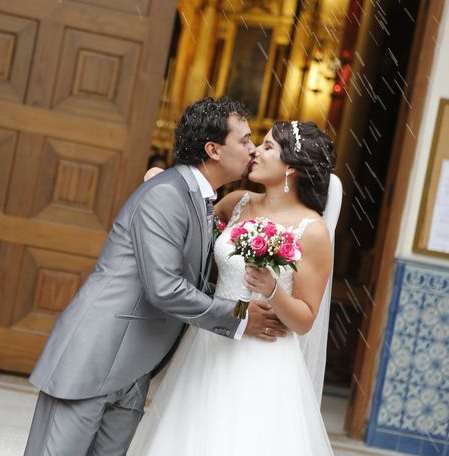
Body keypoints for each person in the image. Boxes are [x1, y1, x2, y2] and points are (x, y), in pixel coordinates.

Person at [24, 97, 288, 456]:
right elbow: (164, 288)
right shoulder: (168, 194)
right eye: (243, 140)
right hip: (94, 358)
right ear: (213, 149)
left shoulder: (198, 198)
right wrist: (239, 317)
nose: (252, 149)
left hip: (133, 367)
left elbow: (190, 281)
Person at [129, 120, 341, 455]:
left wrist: (272, 289)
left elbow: (305, 320)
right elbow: (188, 224)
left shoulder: (312, 230)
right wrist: (162, 184)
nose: (256, 151)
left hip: (261, 356)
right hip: (210, 339)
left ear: (291, 168)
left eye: (268, 147)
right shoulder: (238, 202)